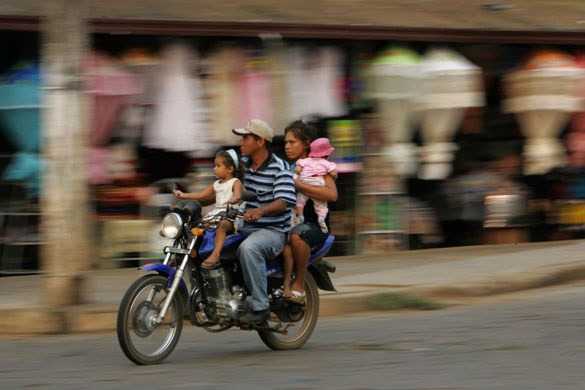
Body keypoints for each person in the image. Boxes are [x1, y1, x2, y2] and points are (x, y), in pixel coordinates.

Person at [231, 119, 296, 323]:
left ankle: (260, 307)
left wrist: (261, 210)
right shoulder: (243, 166)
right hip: (245, 226)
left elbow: (284, 201)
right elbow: (224, 186)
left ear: (260, 142)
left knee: (249, 248)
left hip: (273, 231)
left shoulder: (280, 168)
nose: (241, 143)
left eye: (245, 139)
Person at [282, 120, 338, 303]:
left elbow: (332, 194)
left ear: (306, 144)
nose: (287, 147)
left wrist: (300, 185)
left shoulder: (320, 167)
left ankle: (299, 283)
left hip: (315, 226)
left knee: (297, 236)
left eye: (292, 142)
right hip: (292, 220)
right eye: (285, 142)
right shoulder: (289, 169)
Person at [173, 149, 243, 268]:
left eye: (218, 166)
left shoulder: (235, 182)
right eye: (214, 166)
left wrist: (235, 199)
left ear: (230, 169)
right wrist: (183, 195)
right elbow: (201, 195)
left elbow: (238, 194)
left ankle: (216, 254)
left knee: (221, 226)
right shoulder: (216, 184)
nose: (214, 168)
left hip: (232, 216)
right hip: (217, 214)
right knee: (193, 227)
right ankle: (184, 252)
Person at [293, 137, 338, 233]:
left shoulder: (305, 161)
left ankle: (300, 215)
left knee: (300, 201)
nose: (287, 147)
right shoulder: (326, 163)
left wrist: (297, 179)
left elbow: (297, 170)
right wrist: (333, 177)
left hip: (304, 180)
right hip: (318, 181)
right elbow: (334, 174)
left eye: (292, 142)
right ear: (327, 154)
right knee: (321, 205)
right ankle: (321, 217)